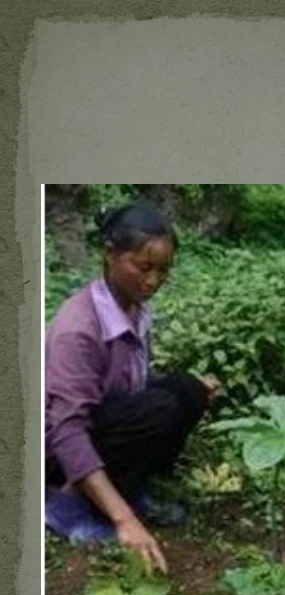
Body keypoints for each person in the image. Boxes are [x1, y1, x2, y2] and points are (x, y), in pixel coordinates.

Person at [45, 202, 220, 574]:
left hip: (100, 427)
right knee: (162, 409)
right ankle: (68, 507)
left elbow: (130, 385)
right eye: (143, 267)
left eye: (164, 270)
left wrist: (192, 390)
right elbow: (67, 430)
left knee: (187, 391)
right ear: (109, 254)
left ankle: (129, 489)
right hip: (58, 451)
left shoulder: (135, 308)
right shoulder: (78, 327)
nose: (153, 281)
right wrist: (125, 521)